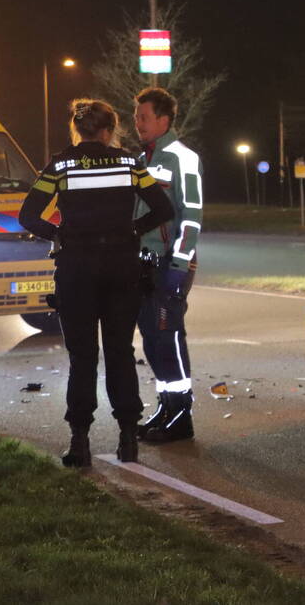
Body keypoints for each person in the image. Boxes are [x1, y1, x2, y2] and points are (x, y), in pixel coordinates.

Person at [19, 99, 173, 467]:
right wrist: (130, 231)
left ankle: (80, 443)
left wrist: (60, 234)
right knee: (120, 352)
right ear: (108, 131)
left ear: (78, 129)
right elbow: (163, 209)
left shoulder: (61, 165)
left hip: (77, 270)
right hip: (122, 268)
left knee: (82, 356)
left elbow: (28, 215)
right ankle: (127, 441)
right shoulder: (130, 163)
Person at [133, 87, 203, 443]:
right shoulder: (141, 158)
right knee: (152, 340)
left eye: (143, 117)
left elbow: (191, 217)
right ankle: (166, 405)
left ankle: (182, 415)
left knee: (169, 337)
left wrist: (178, 264)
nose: (137, 123)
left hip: (169, 263)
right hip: (143, 265)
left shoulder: (182, 158)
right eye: (136, 117)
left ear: (164, 119)